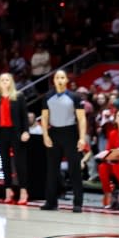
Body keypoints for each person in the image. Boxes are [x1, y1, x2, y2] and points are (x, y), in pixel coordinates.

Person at [40, 69, 87, 212]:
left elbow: (81, 118)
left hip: (70, 133)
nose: (59, 80)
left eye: (62, 77)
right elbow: (44, 118)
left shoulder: (75, 97)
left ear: (66, 80)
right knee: (52, 170)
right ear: (53, 80)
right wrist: (45, 135)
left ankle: (77, 203)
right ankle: (51, 202)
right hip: (54, 133)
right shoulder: (47, 97)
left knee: (74, 169)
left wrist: (82, 138)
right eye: (57, 77)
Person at [0, 73, 30, 205]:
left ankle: (23, 191)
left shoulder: (19, 97)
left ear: (11, 82)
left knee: (20, 163)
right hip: (1, 133)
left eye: (7, 80)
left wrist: (26, 131)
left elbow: (24, 116)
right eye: (2, 80)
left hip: (16, 133)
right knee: (5, 163)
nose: (5, 82)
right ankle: (8, 190)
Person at [96, 109, 119, 210]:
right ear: (115, 119)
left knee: (118, 167)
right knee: (102, 166)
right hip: (117, 164)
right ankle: (108, 194)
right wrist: (106, 156)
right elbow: (109, 150)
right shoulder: (112, 133)